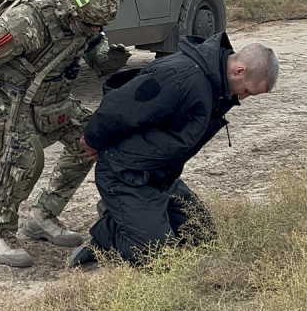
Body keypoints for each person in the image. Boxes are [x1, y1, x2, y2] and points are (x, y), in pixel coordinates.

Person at [0, 0, 131, 267]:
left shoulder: (85, 21)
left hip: (52, 99)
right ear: (68, 8)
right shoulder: (26, 22)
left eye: (99, 25)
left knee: (91, 137)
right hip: (12, 101)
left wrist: (108, 57)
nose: (95, 29)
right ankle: (0, 230)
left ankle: (43, 214)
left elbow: (92, 50)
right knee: (25, 158)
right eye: (90, 24)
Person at [70, 34, 279, 266]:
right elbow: (119, 108)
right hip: (126, 174)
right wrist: (95, 141)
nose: (244, 98)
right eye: (247, 91)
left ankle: (126, 217)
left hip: (161, 175)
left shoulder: (217, 85)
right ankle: (107, 237)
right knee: (157, 256)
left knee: (201, 236)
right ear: (239, 71)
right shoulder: (181, 76)